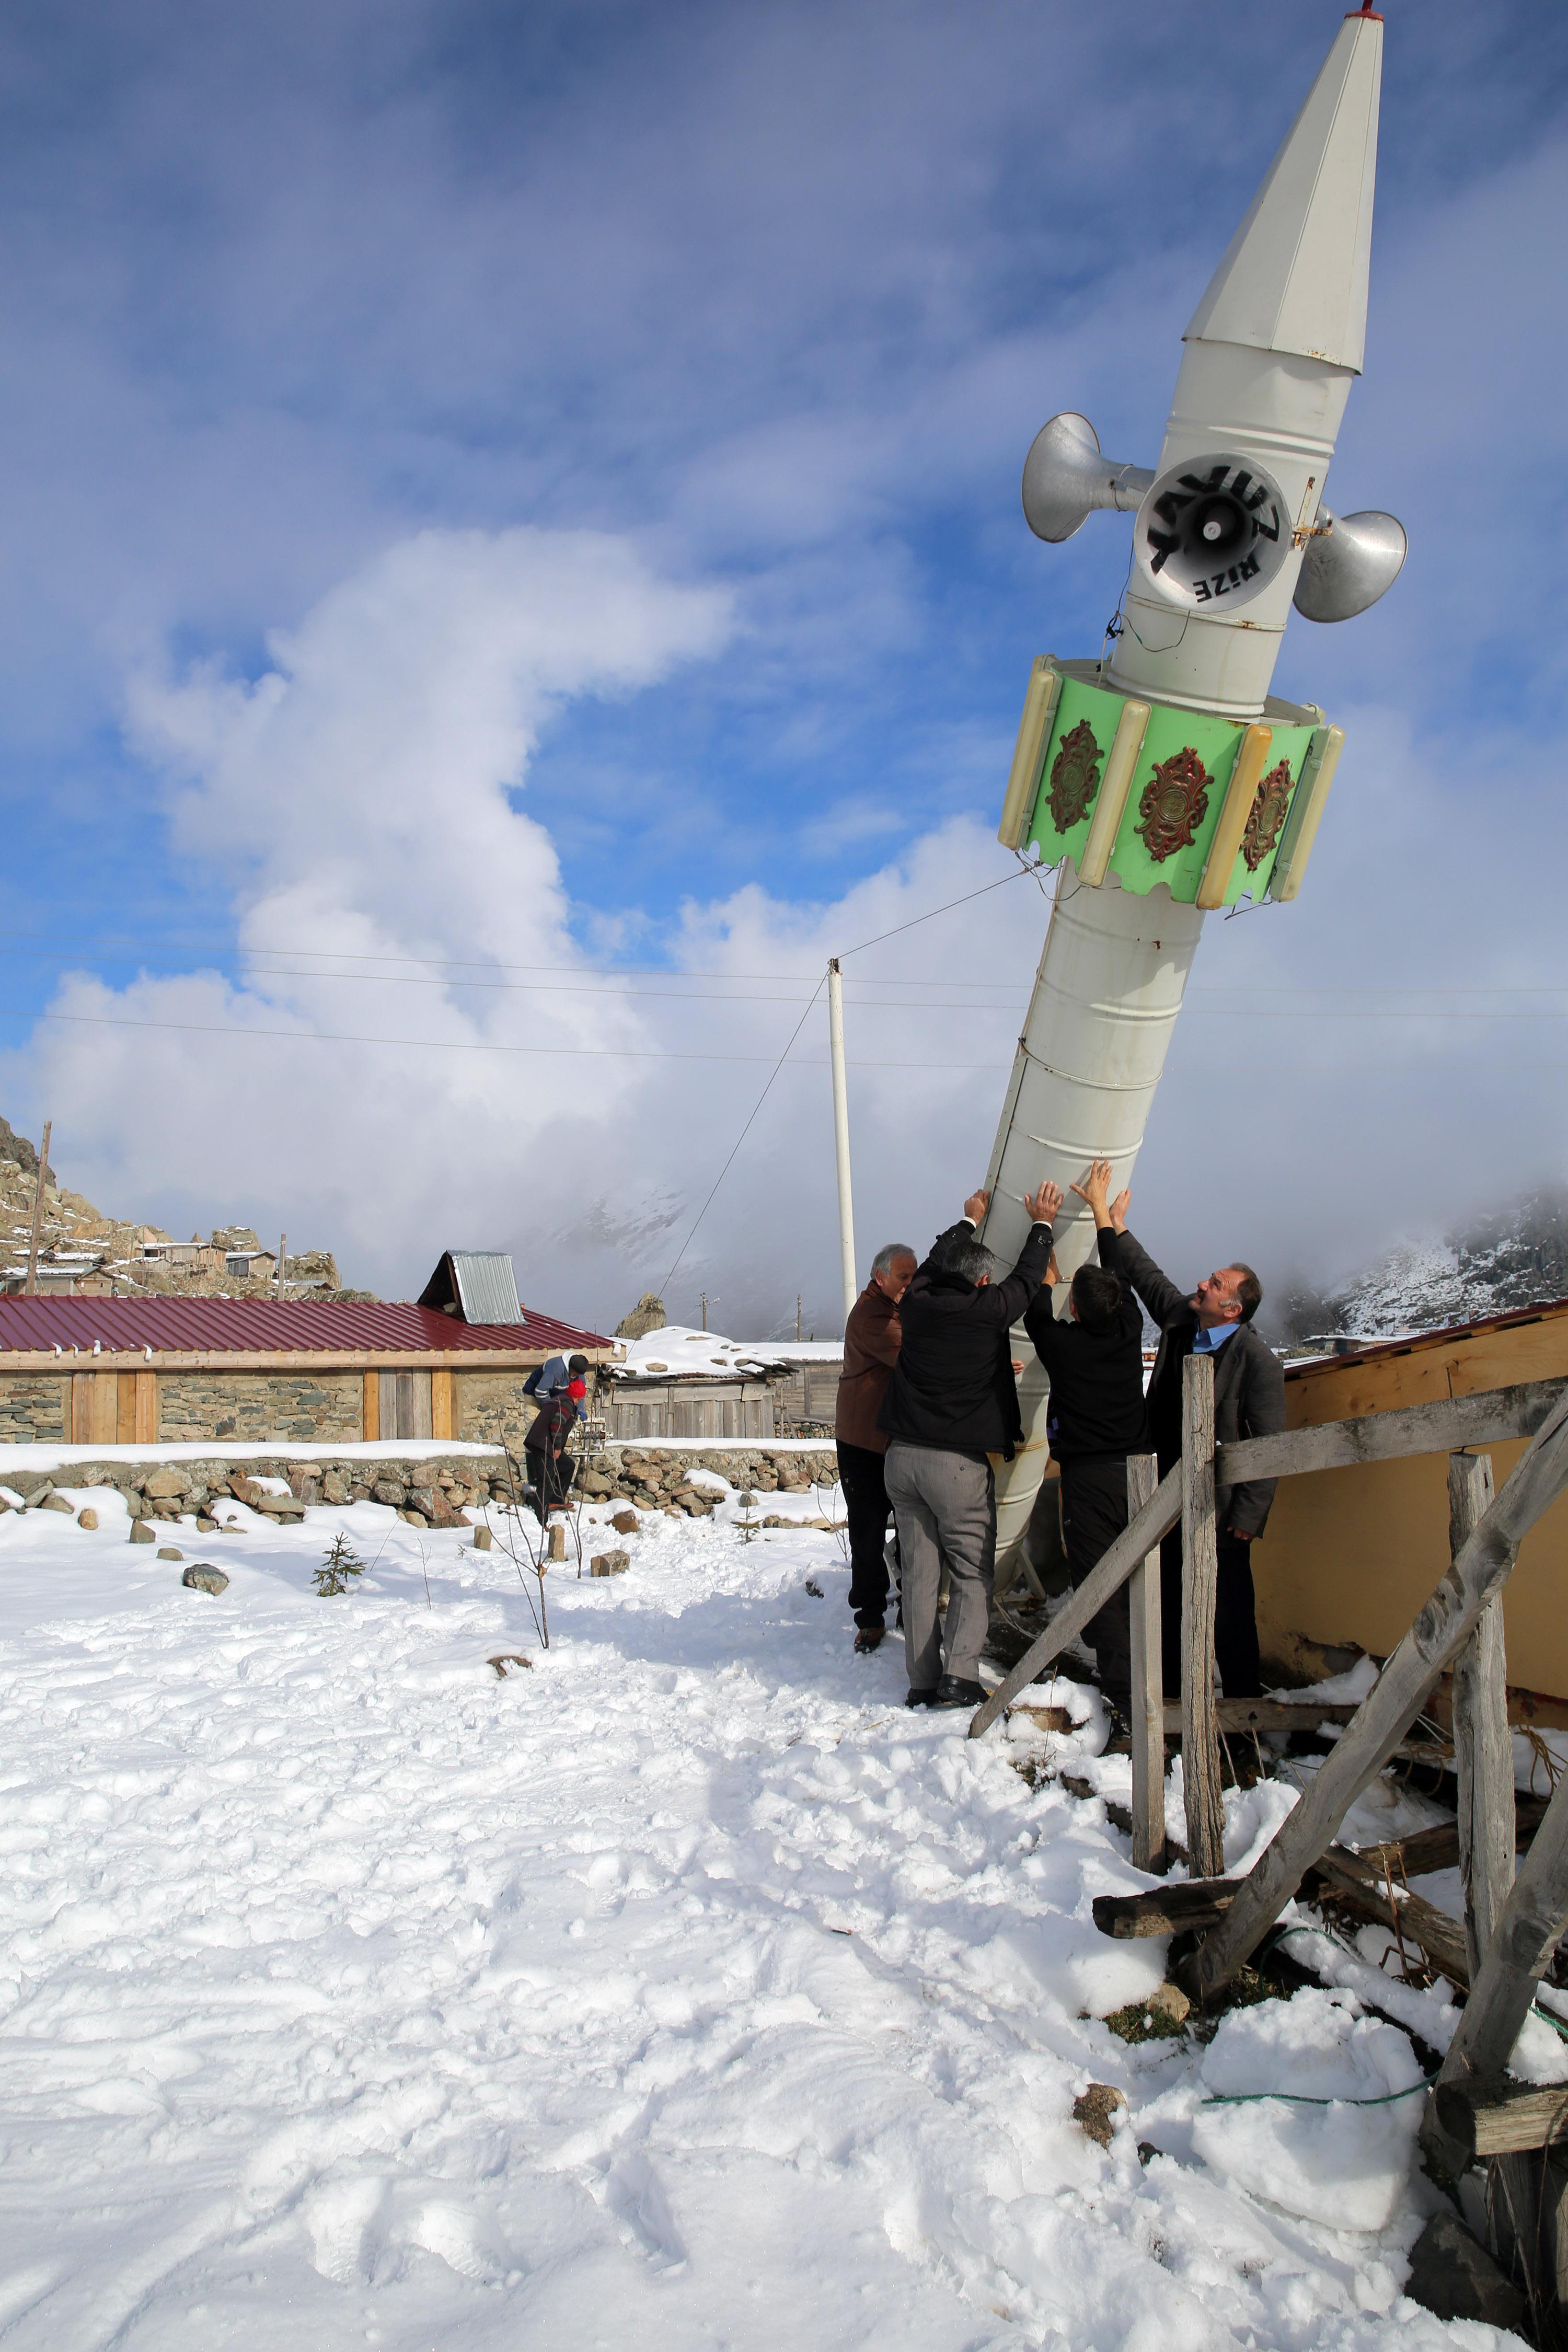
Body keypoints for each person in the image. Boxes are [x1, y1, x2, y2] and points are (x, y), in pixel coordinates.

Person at [879, 1180, 1058, 1709]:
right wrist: (1043, 1224)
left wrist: (967, 1220)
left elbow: (936, 1263)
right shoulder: (986, 1310)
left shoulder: (916, 1303)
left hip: (902, 1460)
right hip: (955, 1466)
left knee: (919, 1573)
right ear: (982, 1280)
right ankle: (959, 1677)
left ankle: (921, 1680)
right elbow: (1028, 1280)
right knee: (972, 1572)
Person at [1105, 1191, 1286, 1699]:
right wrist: (1116, 1225)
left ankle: (1244, 1704)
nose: (1202, 1284)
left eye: (1215, 1284)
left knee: (1229, 1610)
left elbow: (1269, 1443)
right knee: (1166, 1600)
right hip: (1168, 1495)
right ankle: (1171, 1695)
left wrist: (1250, 1515)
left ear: (1233, 1308)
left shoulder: (1257, 1362)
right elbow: (1148, 1278)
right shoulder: (1184, 1323)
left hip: (1222, 1512)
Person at [1022, 1159, 1149, 1722]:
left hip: (1092, 1479)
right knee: (1145, 1573)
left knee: (1100, 1579)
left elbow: (1033, 1314)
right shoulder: (1128, 1332)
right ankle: (1156, 1672)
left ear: (1073, 1308)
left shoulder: (1063, 1347)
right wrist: (1105, 1215)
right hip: (1141, 1472)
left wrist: (1045, 1267)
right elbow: (1123, 1282)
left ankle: (1124, 1694)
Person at [835, 1240, 919, 1655]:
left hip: (892, 1438)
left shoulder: (894, 1308)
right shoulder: (874, 1317)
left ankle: (910, 1607)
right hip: (864, 1443)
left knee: (910, 1527)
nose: (910, 1284)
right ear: (880, 1277)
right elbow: (917, 1356)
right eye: (903, 1277)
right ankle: (870, 1617)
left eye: (913, 1276)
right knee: (868, 1533)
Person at [524, 1374, 587, 1526]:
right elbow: (556, 1426)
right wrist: (558, 1448)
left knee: (567, 1465)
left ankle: (556, 1500)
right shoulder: (566, 1404)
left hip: (545, 1444)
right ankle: (541, 1520)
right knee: (545, 1481)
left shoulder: (561, 1399)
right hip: (544, 1445)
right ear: (578, 1398)